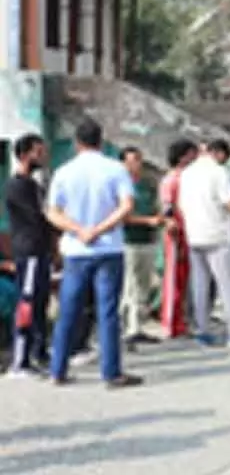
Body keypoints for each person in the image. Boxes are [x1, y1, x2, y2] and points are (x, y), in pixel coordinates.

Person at [45, 119, 142, 388]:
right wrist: (100, 228)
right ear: (102, 141)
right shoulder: (115, 169)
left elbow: (52, 212)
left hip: (76, 250)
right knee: (107, 311)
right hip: (108, 247)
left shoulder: (64, 172)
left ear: (77, 143)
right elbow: (126, 206)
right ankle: (111, 373)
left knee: (68, 309)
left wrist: (79, 230)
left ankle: (57, 370)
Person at [180, 140, 230, 349]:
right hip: (218, 235)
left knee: (200, 285)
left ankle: (202, 330)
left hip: (195, 234)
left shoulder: (187, 174)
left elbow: (181, 206)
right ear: (216, 153)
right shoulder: (218, 172)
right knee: (228, 285)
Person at [7, 133, 55, 376]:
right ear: (25, 155)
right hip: (29, 252)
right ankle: (21, 360)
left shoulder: (34, 185)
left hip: (41, 252)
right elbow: (39, 218)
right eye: (38, 151)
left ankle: (39, 352)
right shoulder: (17, 186)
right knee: (27, 304)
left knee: (40, 303)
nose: (42, 156)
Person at [120, 147, 163, 349]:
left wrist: (158, 219)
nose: (136, 164)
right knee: (130, 286)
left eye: (138, 159)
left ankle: (137, 326)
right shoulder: (120, 185)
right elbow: (123, 216)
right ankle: (127, 327)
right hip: (128, 241)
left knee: (143, 286)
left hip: (147, 239)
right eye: (131, 160)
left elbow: (156, 207)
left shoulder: (147, 184)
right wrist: (148, 220)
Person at [159, 139, 197, 339]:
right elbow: (167, 206)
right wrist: (171, 224)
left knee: (184, 279)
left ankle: (181, 321)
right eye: (192, 154)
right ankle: (170, 323)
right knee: (174, 278)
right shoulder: (172, 179)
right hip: (177, 234)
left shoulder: (187, 178)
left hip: (190, 231)